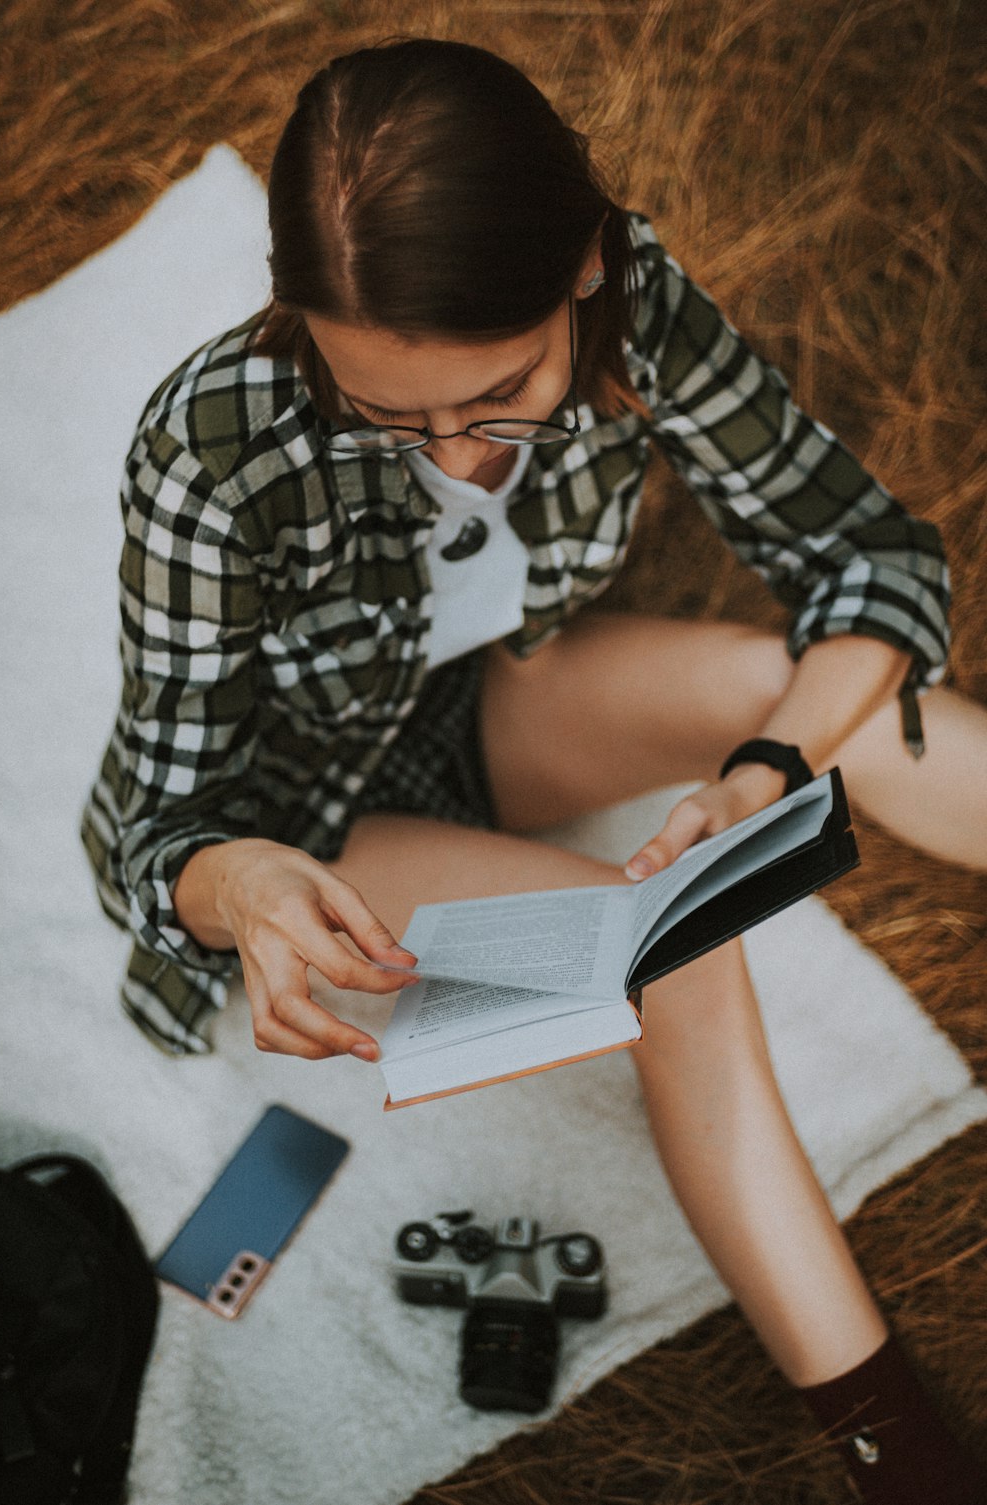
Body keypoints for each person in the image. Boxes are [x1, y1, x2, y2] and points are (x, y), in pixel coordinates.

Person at [82, 37, 987, 1503]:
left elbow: (864, 558)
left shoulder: (633, 294)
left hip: (486, 704)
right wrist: (239, 885)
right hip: (313, 824)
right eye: (388, 416)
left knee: (794, 686)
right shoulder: (216, 444)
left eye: (500, 398)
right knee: (685, 957)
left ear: (576, 268)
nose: (452, 457)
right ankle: (894, 1444)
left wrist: (765, 771)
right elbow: (168, 820)